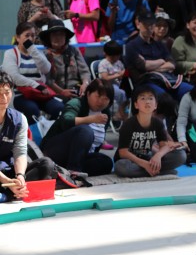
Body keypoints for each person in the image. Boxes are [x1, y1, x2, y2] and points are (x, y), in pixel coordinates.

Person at [0, 71, 55, 203]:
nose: (4, 97)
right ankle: (11, 192)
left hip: (8, 170)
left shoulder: (19, 119)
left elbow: (20, 152)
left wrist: (20, 177)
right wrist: (7, 181)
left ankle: (15, 191)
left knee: (46, 164)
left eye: (7, 92)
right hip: (4, 178)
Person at [40, 79, 114, 176]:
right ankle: (74, 171)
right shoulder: (76, 103)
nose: (101, 101)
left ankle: (63, 170)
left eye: (105, 99)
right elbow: (66, 121)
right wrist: (90, 119)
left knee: (106, 162)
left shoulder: (105, 113)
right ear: (88, 94)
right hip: (55, 150)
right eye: (98, 96)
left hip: (78, 156)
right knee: (85, 131)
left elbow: (98, 142)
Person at [114, 85, 187, 178]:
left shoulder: (158, 123)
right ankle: (160, 172)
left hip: (148, 157)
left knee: (181, 155)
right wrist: (144, 164)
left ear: (156, 105)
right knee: (121, 167)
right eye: (143, 98)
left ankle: (150, 170)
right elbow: (123, 152)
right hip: (130, 161)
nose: (147, 101)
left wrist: (158, 156)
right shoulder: (128, 124)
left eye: (150, 98)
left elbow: (163, 146)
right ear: (136, 104)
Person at [2, 22, 64, 125]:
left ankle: (51, 134)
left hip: (40, 94)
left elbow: (46, 69)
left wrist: (32, 50)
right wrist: (37, 85)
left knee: (59, 108)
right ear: (18, 38)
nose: (30, 39)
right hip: (20, 95)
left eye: (33, 35)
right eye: (27, 35)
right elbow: (14, 77)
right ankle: (33, 139)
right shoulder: (10, 54)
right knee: (32, 110)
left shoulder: (36, 53)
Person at [124, 9, 193, 102]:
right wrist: (161, 61)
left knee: (192, 91)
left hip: (166, 80)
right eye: (146, 25)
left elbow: (172, 64)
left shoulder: (159, 44)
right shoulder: (130, 46)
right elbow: (143, 66)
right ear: (138, 25)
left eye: (152, 25)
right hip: (144, 83)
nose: (149, 28)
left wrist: (152, 67)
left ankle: (184, 116)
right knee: (165, 98)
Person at [39, 19, 91, 101]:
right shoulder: (45, 56)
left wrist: (85, 84)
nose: (58, 37)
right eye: (54, 34)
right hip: (57, 93)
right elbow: (48, 81)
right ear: (48, 38)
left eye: (61, 34)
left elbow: (84, 71)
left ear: (66, 36)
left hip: (77, 89)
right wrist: (62, 91)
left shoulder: (74, 50)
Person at [98, 40, 129, 122]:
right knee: (121, 93)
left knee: (129, 91)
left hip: (119, 84)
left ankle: (122, 112)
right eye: (113, 57)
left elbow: (123, 74)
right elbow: (105, 78)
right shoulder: (103, 63)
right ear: (106, 54)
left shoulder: (119, 63)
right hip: (107, 86)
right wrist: (119, 74)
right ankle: (121, 113)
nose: (115, 58)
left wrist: (123, 74)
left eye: (117, 56)